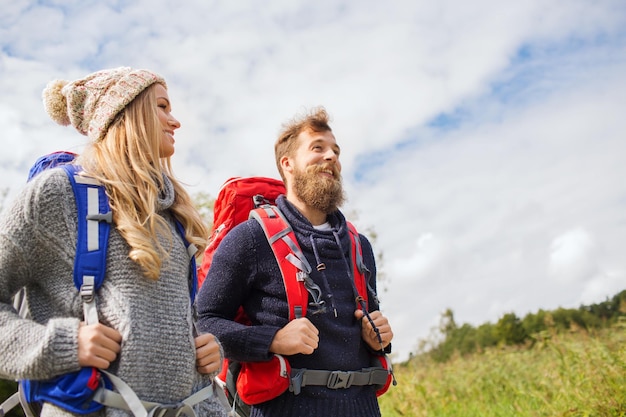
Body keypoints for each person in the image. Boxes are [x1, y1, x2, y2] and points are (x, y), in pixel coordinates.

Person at [0, 67, 226, 417]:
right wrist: (61, 344)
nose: (175, 121)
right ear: (124, 114)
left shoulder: (174, 214)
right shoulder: (56, 195)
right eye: (162, 106)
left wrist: (207, 348)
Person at [196, 107, 394, 417]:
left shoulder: (359, 246)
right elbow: (203, 321)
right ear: (287, 164)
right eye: (318, 147)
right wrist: (272, 339)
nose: (331, 157)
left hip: (364, 407)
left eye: (336, 151)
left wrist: (376, 334)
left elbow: (366, 324)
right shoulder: (250, 238)